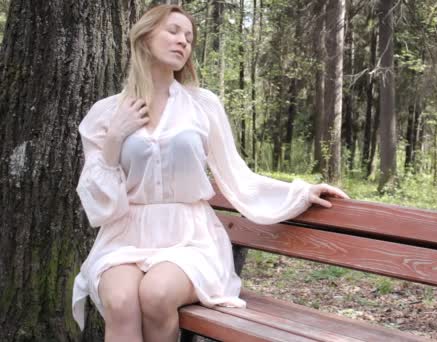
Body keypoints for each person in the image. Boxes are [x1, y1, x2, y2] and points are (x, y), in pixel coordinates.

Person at [71, 4, 348, 341]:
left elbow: (235, 174)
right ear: (144, 38)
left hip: (189, 238)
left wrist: (301, 192)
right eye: (173, 31)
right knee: (120, 300)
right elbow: (100, 203)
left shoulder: (202, 105)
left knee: (156, 295)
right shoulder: (107, 112)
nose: (183, 41)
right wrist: (115, 136)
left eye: (188, 37)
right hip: (126, 235)